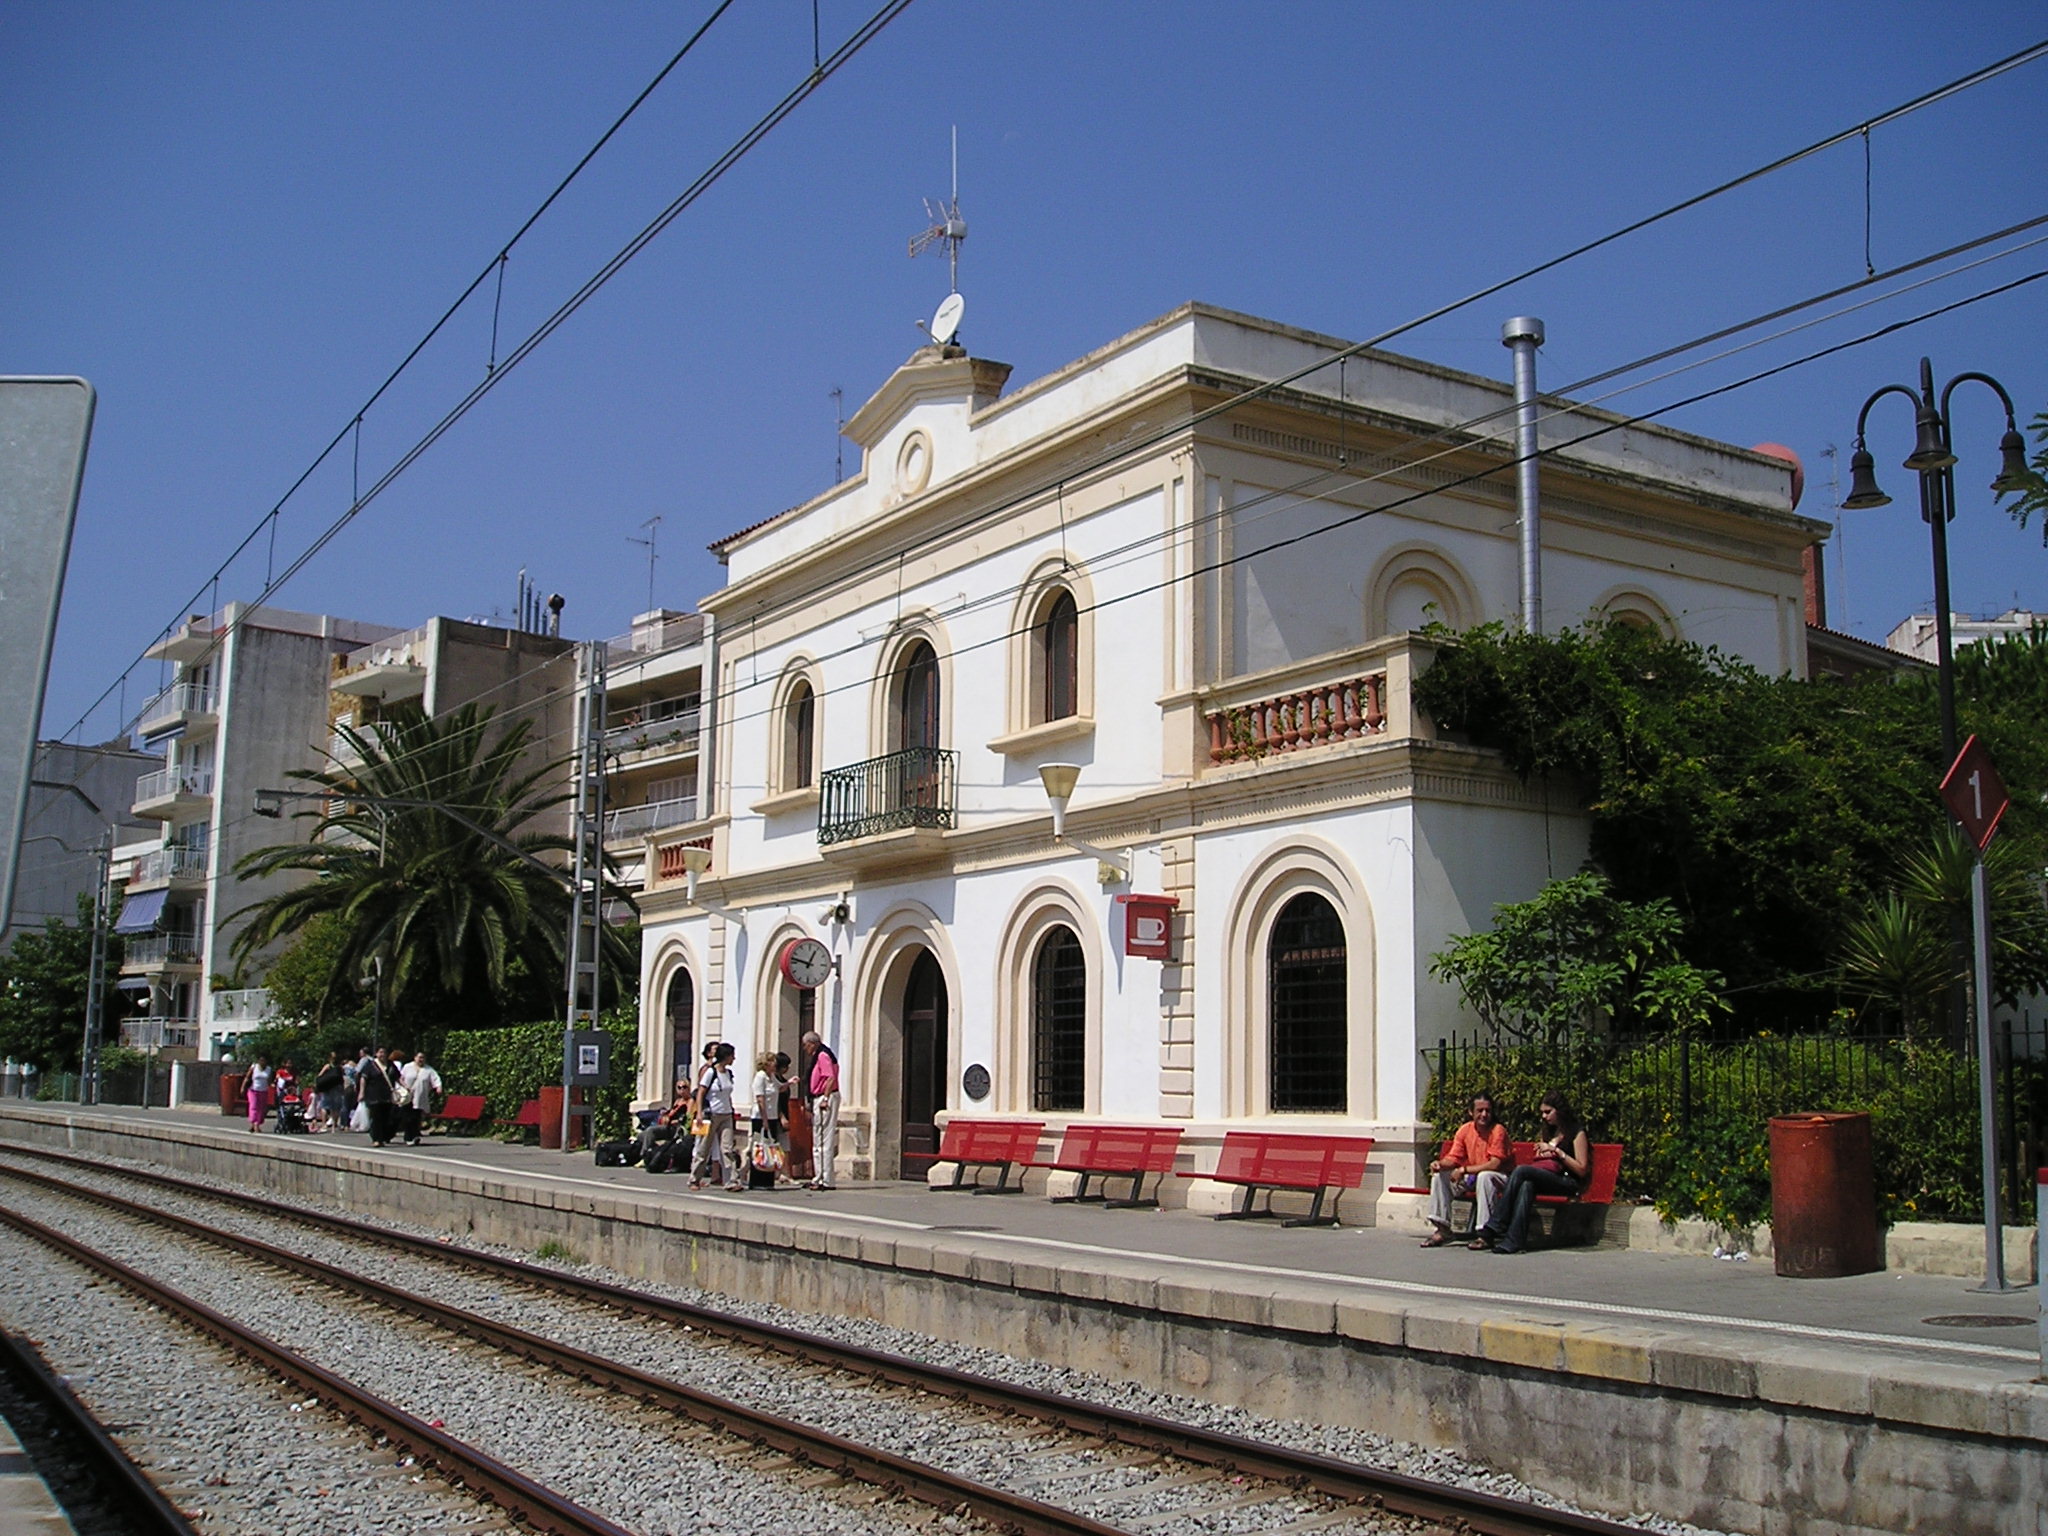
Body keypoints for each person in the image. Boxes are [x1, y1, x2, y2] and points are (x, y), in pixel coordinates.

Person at [1471, 1090, 1591, 1254]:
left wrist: (1559, 1153)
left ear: (1560, 1111)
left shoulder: (1576, 1133)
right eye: (1542, 1112)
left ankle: (1497, 1223)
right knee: (1527, 1184)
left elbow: (1582, 1169)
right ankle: (1514, 1240)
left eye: (1548, 1112)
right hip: (1549, 1177)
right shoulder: (1549, 1131)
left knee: (1521, 1171)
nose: (1544, 1116)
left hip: (1567, 1182)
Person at [1420, 1092, 1511, 1247]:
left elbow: (1495, 1164)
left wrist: (1464, 1170)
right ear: (1471, 1112)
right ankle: (1443, 1229)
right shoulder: (1465, 1130)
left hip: (1500, 1178)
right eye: (1480, 1111)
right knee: (1439, 1176)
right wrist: (1440, 1164)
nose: (1484, 1115)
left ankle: (1485, 1233)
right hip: (1472, 1178)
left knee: (1485, 1176)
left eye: (1488, 1111)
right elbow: (1453, 1157)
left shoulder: (1498, 1131)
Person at [690, 1042, 743, 1192]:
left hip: (726, 1114)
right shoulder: (710, 1073)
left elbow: (727, 1094)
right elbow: (700, 1092)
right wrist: (699, 1113)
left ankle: (732, 1180)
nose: (734, 1058)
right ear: (725, 1056)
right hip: (711, 1114)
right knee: (704, 1148)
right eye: (732, 1055)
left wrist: (732, 1111)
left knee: (727, 1148)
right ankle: (694, 1179)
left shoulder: (728, 1074)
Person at [802, 1030, 839, 1191]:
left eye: (806, 1045)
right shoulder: (820, 1054)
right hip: (819, 1097)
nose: (805, 1048)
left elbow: (830, 1077)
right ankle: (819, 1176)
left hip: (825, 1098)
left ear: (812, 1043)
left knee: (823, 1138)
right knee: (818, 1139)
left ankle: (825, 1178)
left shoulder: (823, 1055)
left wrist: (825, 1098)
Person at [357, 1046, 398, 1148]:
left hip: (387, 1096)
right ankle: (376, 1139)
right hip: (373, 1095)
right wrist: (361, 1092)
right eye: (380, 1052)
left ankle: (383, 1137)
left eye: (384, 1052)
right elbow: (363, 1078)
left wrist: (406, 1087)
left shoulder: (391, 1065)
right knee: (376, 1118)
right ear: (376, 1054)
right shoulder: (370, 1065)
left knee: (386, 1117)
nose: (382, 1055)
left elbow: (398, 1077)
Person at [399, 1052, 442, 1146]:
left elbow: (436, 1079)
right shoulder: (407, 1067)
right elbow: (400, 1078)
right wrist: (405, 1086)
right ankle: (408, 1137)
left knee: (416, 1118)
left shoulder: (428, 1069)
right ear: (414, 1058)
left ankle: (415, 1136)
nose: (421, 1059)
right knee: (407, 1118)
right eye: (419, 1057)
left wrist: (438, 1087)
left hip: (419, 1097)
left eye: (423, 1058)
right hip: (407, 1096)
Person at [313, 1052, 346, 1133]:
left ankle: (324, 1125)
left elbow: (320, 1076)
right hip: (337, 1088)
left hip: (327, 1089)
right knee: (336, 1107)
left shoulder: (327, 1066)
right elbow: (342, 1078)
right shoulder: (340, 1068)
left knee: (325, 1106)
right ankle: (334, 1126)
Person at [245, 1057, 274, 1131]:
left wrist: (271, 1085)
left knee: (261, 1108)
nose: (262, 1062)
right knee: (253, 1106)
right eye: (261, 1060)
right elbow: (247, 1077)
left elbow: (269, 1080)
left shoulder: (268, 1069)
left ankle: (255, 1123)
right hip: (253, 1090)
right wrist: (243, 1087)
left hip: (263, 1090)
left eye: (264, 1060)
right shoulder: (254, 1067)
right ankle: (255, 1124)